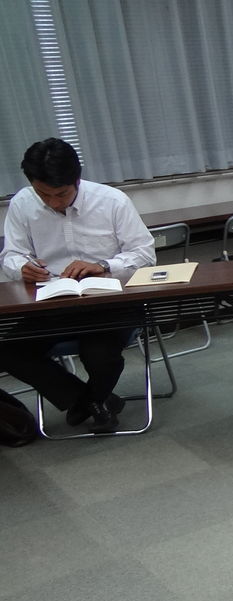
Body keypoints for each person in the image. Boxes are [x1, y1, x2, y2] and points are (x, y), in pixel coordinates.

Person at [0, 138, 155, 433]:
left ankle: (91, 401)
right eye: (43, 195)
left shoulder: (112, 201)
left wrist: (105, 265)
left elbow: (145, 254)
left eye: (61, 194)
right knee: (8, 351)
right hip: (53, 301)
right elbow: (11, 255)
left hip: (110, 300)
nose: (54, 203)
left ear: (77, 180)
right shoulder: (22, 203)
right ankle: (93, 401)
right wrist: (21, 267)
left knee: (99, 355)